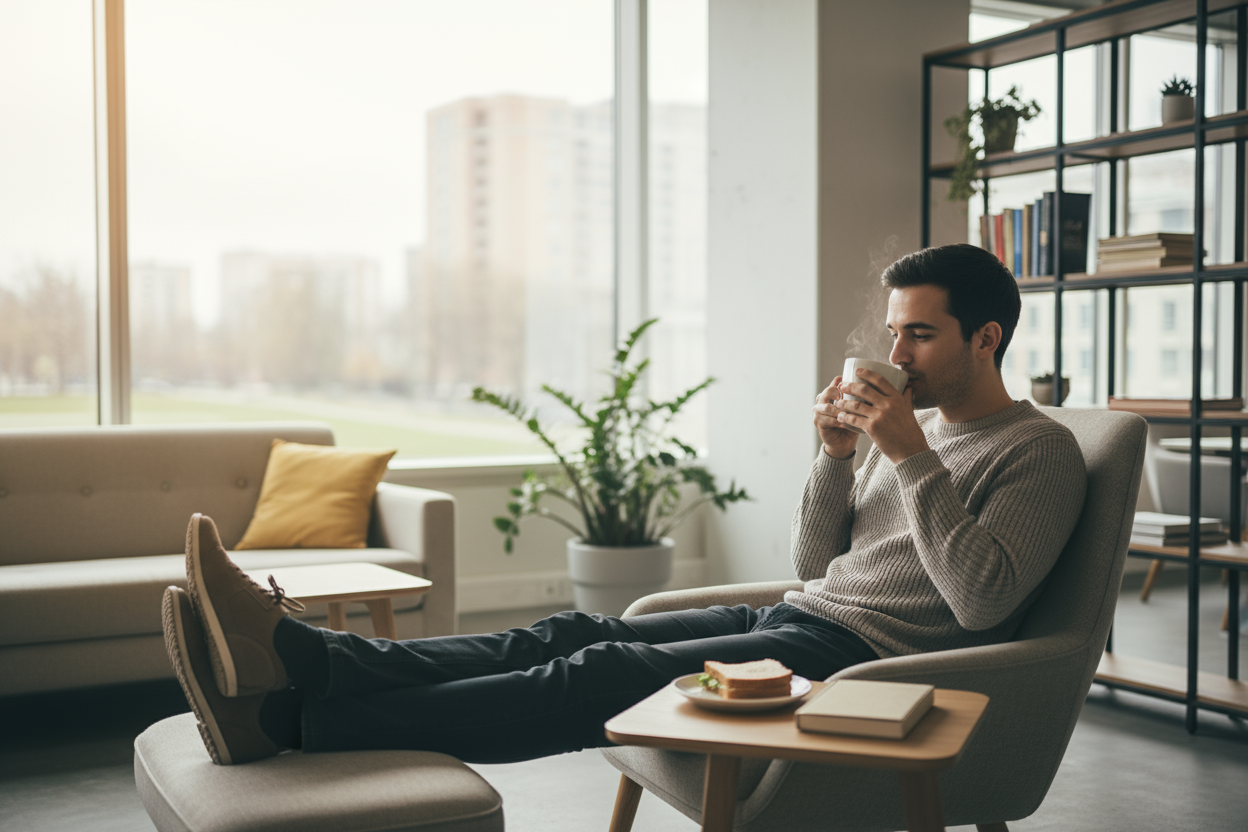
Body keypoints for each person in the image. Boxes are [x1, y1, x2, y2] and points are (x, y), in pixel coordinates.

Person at [162, 242, 1087, 766]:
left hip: (861, 661)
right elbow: (815, 566)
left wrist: (910, 457)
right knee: (563, 637)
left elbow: (982, 604)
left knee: (597, 677)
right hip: (802, 616)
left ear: (987, 337)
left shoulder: (1038, 451)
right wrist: (836, 457)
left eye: (920, 335)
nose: (900, 352)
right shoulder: (900, 434)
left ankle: (290, 722)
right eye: (894, 333)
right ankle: (309, 656)